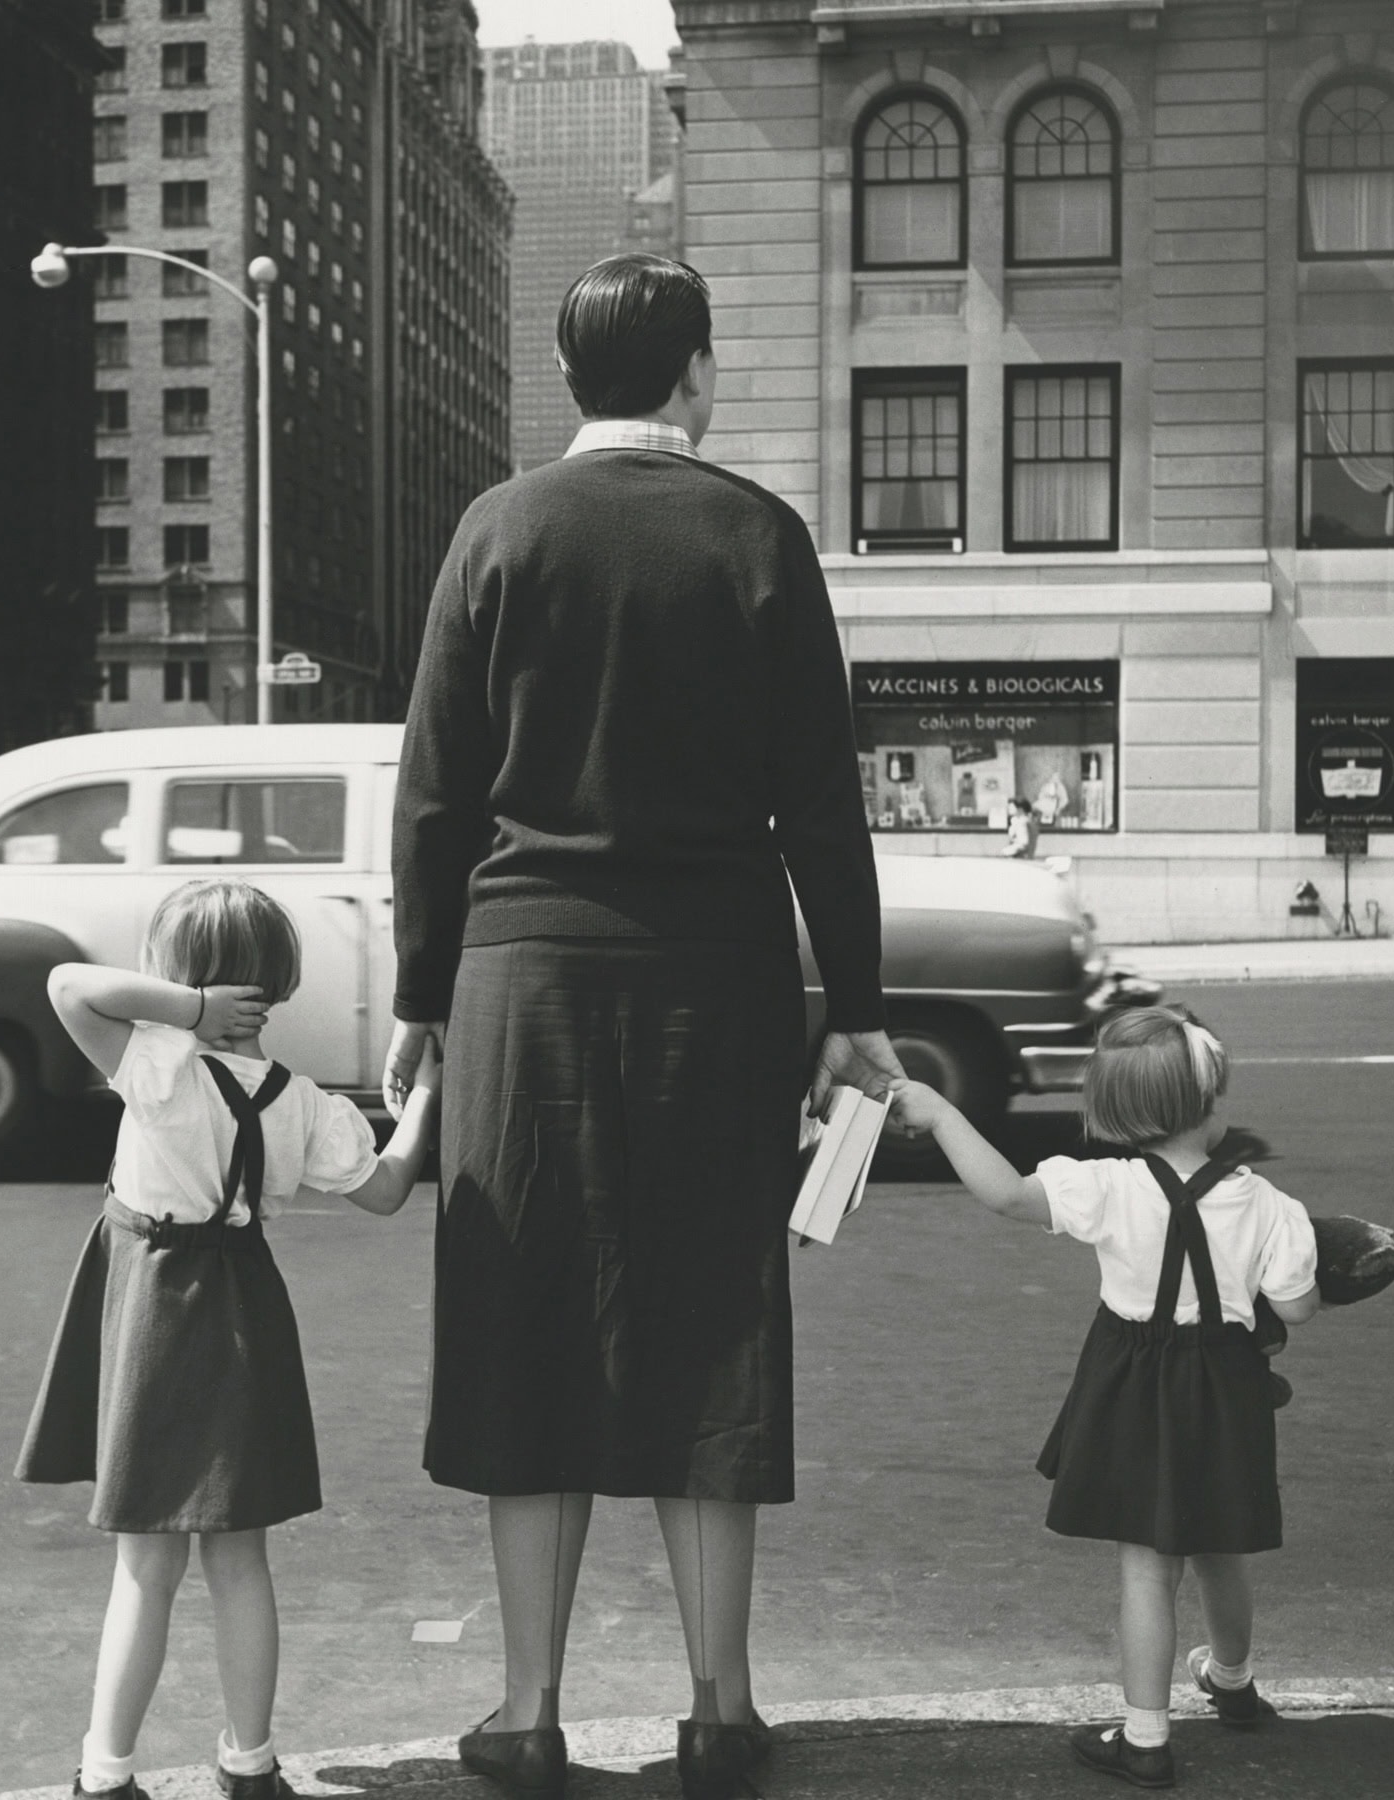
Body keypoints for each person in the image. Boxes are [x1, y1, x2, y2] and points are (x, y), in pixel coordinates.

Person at [384, 252, 902, 1800]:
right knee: (709, 1325)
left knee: (522, 1319)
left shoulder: (499, 528)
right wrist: (856, 1012)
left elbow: (431, 794)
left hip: (520, 978)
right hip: (717, 982)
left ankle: (528, 1712)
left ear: (568, 379)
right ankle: (718, 1709)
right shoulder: (757, 536)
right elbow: (822, 797)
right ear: (693, 372)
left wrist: (420, 1001)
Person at [16, 879, 441, 1800]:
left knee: (145, 1564)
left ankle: (106, 1771)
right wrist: (423, 1100)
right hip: (245, 1304)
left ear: (177, 979)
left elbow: (64, 983)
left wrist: (187, 1010)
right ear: (279, 982)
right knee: (242, 1559)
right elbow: (383, 1190)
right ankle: (249, 1765)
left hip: (155, 1305)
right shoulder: (304, 1105)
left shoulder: (155, 1062)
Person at [884, 1005, 1319, 1791]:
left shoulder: (1105, 1186)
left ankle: (1146, 1737)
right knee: (1220, 1545)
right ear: (1208, 1103)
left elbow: (1008, 1195)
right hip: (1225, 1388)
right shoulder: (1267, 1204)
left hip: (1133, 1382)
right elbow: (1295, 1307)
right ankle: (1233, 1680)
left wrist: (943, 1113)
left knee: (1148, 1567)